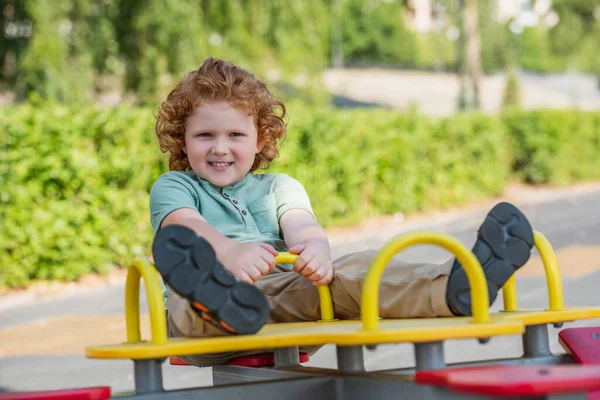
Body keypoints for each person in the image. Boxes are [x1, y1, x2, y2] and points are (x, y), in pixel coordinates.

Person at [149, 57, 534, 367]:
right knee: (191, 285)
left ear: (260, 138)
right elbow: (185, 228)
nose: (220, 148)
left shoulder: (279, 187)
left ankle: (452, 290)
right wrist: (230, 253)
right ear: (183, 138)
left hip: (275, 297)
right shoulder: (177, 186)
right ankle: (216, 302)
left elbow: (302, 225)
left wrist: (315, 249)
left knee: (353, 269)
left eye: (235, 135)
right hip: (195, 322)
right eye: (205, 135)